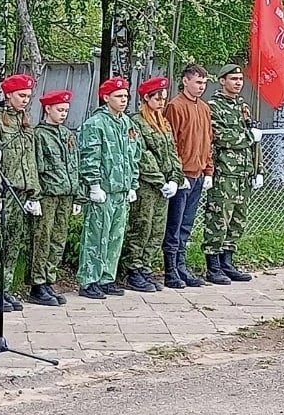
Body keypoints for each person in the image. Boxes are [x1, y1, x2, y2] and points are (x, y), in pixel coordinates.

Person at [76, 76, 140, 299]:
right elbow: (89, 156)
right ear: (106, 98)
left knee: (115, 237)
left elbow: (133, 154)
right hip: (103, 189)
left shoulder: (126, 123)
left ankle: (106, 278)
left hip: (121, 189)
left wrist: (132, 183)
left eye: (125, 96)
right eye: (118, 96)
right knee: (96, 236)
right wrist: (93, 184)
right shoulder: (96, 124)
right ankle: (89, 279)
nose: (123, 100)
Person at [121, 76, 184, 292]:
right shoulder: (136, 122)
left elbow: (172, 151)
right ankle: (133, 269)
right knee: (142, 226)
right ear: (146, 98)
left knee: (157, 229)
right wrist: (160, 180)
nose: (161, 103)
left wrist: (176, 177)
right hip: (147, 185)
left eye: (163, 99)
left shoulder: (163, 122)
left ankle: (146, 267)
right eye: (157, 99)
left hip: (164, 186)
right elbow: (143, 156)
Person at [0, 73, 40, 311]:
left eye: (28, 96)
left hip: (21, 192)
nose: (25, 100)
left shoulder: (25, 123)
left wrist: (34, 193)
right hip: (4, 191)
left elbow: (31, 160)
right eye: (21, 95)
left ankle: (5, 288)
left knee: (13, 244)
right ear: (8, 95)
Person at [202, 64, 262, 283]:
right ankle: (213, 266)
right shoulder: (213, 106)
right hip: (224, 172)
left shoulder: (242, 106)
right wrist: (248, 137)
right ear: (222, 81)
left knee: (237, 220)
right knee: (219, 218)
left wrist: (258, 170)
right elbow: (220, 136)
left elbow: (255, 144)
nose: (238, 83)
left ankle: (227, 262)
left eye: (240, 79)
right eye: (233, 79)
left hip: (242, 174)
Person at [162, 63, 214, 289]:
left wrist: (208, 170)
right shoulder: (175, 106)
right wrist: (175, 173)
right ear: (185, 81)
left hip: (198, 173)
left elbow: (208, 141)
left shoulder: (203, 108)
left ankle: (181, 265)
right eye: (197, 82)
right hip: (182, 174)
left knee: (187, 223)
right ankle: (171, 269)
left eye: (204, 82)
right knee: (174, 224)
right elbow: (170, 142)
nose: (201, 86)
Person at [29, 88, 81, 306]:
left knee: (58, 239)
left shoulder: (67, 134)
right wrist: (35, 195)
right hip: (48, 193)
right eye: (59, 110)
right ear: (47, 109)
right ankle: (38, 282)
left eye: (66, 110)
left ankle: (50, 278)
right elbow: (36, 166)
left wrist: (78, 196)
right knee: (43, 237)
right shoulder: (40, 135)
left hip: (66, 194)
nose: (63, 114)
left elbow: (74, 164)